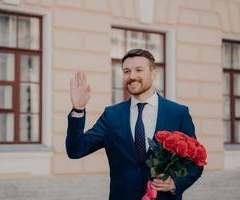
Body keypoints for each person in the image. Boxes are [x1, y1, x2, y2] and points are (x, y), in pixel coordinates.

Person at [66, 49, 203, 200]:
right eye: (126, 71)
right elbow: (76, 150)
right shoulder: (112, 115)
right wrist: (78, 109)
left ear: (153, 73)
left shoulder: (178, 113)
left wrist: (175, 182)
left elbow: (196, 161)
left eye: (139, 70)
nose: (131, 76)